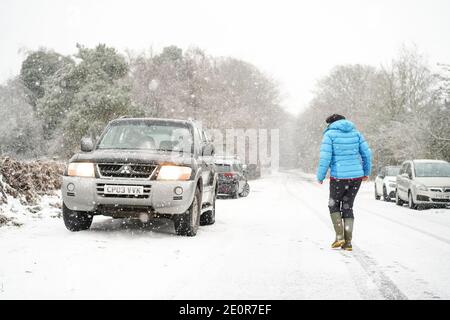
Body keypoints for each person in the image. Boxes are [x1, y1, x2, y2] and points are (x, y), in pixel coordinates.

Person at [316, 114, 372, 251]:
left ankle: (340, 237)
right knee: (347, 206)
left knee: (333, 204)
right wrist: (366, 172)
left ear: (331, 124)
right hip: (356, 177)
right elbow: (367, 154)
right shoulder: (356, 134)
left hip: (339, 177)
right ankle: (348, 243)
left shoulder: (330, 135)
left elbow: (325, 157)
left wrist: (321, 175)